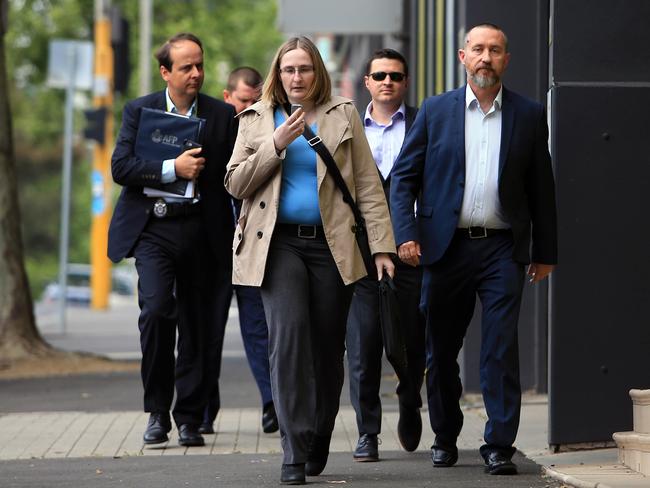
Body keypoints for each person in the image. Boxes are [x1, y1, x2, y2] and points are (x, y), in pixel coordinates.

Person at [225, 36, 396, 485]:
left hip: (332, 246)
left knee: (326, 349)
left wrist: (381, 247)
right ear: (277, 75)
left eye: (303, 69)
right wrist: (276, 144)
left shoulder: (344, 114)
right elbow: (234, 184)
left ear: (316, 71)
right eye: (288, 70)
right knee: (288, 340)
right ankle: (293, 447)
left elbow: (367, 186)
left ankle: (319, 432)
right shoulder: (256, 118)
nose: (296, 78)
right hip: (276, 246)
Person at [390, 23, 557, 475]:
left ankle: (499, 444)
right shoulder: (435, 110)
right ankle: (444, 435)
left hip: (503, 248)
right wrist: (405, 233)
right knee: (441, 349)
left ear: (507, 59)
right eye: (478, 50)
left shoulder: (527, 113)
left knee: (500, 347)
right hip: (446, 248)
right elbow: (404, 177)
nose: (486, 58)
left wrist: (546, 251)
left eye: (495, 50)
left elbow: (542, 188)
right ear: (463, 57)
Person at [108, 32, 236, 448]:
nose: (196, 73)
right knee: (158, 312)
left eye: (200, 64)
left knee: (200, 327)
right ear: (166, 72)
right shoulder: (139, 111)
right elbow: (121, 167)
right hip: (155, 229)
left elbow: (238, 174)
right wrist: (172, 168)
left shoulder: (222, 116)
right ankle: (157, 412)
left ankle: (189, 418)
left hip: (204, 231)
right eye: (186, 67)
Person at [345, 48, 424, 462]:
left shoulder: (422, 124)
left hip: (412, 251)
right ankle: (367, 432)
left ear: (405, 82)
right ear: (368, 82)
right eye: (380, 75)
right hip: (360, 253)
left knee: (410, 341)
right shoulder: (349, 126)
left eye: (395, 75)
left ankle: (410, 401)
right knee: (364, 343)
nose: (388, 82)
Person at [199, 66, 278, 435]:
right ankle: (202, 410)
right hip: (214, 250)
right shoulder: (211, 131)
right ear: (227, 96)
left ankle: (271, 404)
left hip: (250, 247)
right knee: (207, 332)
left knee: (259, 328)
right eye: (244, 100)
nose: (249, 106)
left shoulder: (263, 131)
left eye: (255, 100)